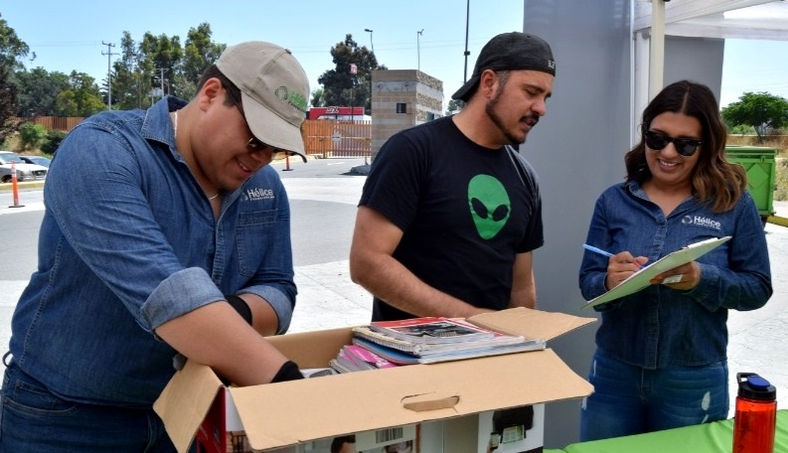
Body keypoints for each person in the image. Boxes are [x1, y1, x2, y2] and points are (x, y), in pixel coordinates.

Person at [0, 41, 311, 452]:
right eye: (256, 138)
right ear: (211, 94)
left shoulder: (264, 187)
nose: (262, 158)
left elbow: (279, 287)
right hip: (65, 420)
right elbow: (168, 297)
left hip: (188, 411)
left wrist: (229, 317)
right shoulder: (102, 151)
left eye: (276, 148)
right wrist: (297, 398)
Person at [578, 80, 773, 441]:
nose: (668, 152)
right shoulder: (613, 201)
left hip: (693, 377)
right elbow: (588, 280)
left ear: (706, 146)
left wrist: (702, 277)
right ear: (644, 135)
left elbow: (758, 288)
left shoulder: (732, 203)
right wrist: (609, 281)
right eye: (657, 138)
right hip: (614, 373)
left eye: (685, 144)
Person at [349, 31, 555, 321]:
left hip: (490, 357)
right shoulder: (412, 151)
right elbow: (367, 264)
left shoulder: (525, 177)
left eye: (546, 97)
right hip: (410, 360)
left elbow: (521, 287)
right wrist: (474, 322)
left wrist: (521, 341)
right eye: (531, 92)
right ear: (489, 83)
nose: (541, 109)